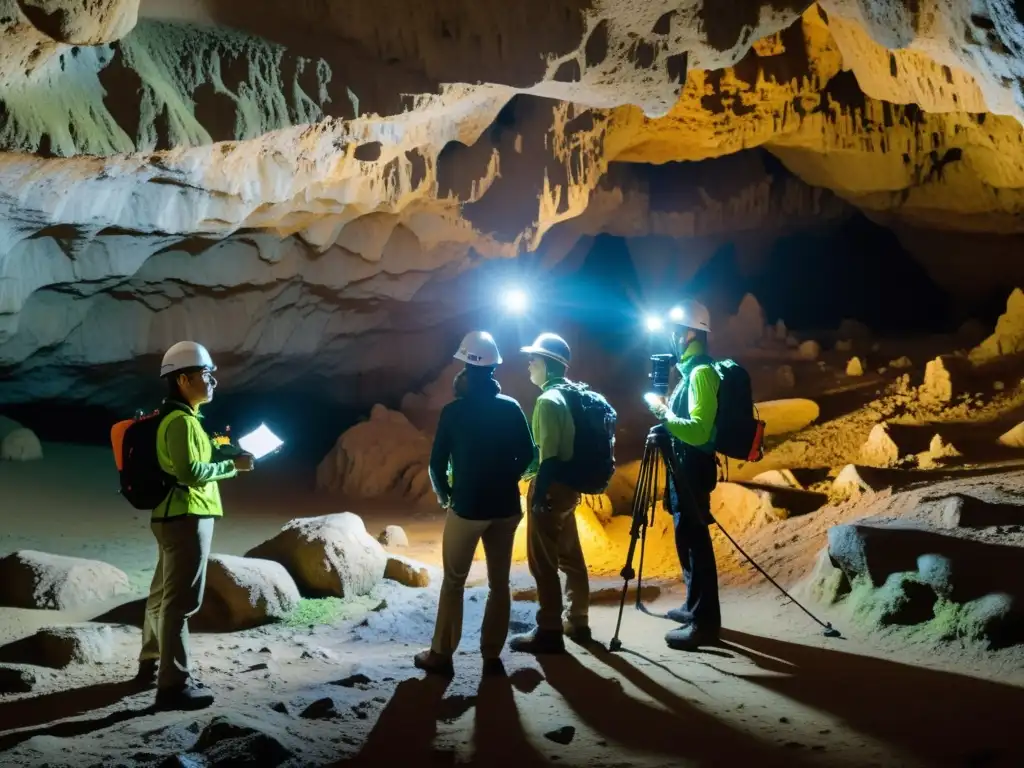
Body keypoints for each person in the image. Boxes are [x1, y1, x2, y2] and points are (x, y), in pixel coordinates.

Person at [138, 341, 254, 709]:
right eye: (206, 375)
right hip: (187, 516)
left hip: (173, 515)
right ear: (185, 380)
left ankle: (151, 664)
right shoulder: (182, 422)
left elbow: (189, 463)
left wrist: (225, 453)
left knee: (162, 596)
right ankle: (173, 686)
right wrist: (231, 467)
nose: (212, 382)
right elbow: (190, 473)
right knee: (181, 602)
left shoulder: (180, 420)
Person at [414, 331, 535, 676]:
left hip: (466, 508)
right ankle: (491, 655)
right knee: (500, 583)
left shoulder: (453, 412)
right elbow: (528, 453)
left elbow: (436, 464)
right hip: (506, 509)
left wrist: (447, 496)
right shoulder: (510, 407)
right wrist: (506, 476)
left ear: (466, 367)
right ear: (494, 369)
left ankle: (441, 653)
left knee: (454, 580)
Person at [645, 299, 722, 650]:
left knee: (696, 545)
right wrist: (666, 423)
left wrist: (662, 413)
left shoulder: (702, 374)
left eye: (676, 331)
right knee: (685, 539)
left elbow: (699, 431)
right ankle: (693, 608)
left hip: (693, 470)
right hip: (683, 469)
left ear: (692, 332)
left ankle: (705, 623)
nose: (672, 337)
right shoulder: (689, 372)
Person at [509, 332, 591, 654]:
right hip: (571, 490)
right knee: (571, 556)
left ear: (549, 363)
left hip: (551, 489)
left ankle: (549, 629)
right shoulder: (575, 396)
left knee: (543, 562)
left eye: (534, 359)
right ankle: (578, 620)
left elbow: (549, 456)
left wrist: (538, 493)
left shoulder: (547, 400)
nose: (529, 364)